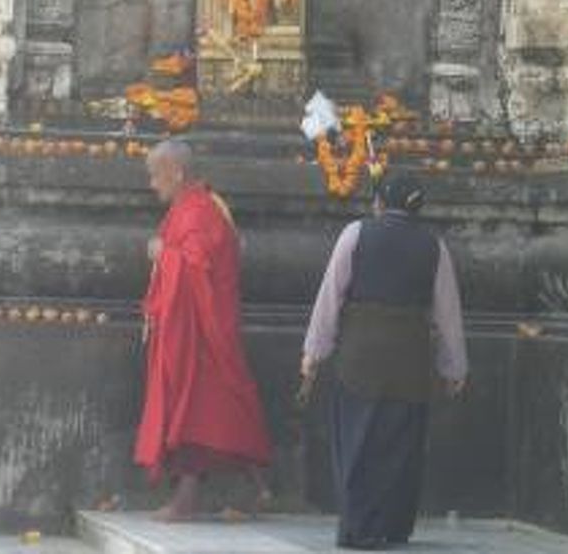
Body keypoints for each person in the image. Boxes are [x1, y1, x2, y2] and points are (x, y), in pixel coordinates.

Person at [301, 172, 468, 550]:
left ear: (379, 203)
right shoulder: (434, 246)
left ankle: (358, 527)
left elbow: (331, 296)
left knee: (357, 443)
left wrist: (314, 351)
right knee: (400, 447)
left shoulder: (356, 234)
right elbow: (447, 313)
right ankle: (393, 526)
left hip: (360, 359)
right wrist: (454, 367)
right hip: (410, 362)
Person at [134, 140, 272, 520]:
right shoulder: (189, 207)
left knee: (199, 408)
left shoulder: (199, 211)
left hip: (203, 330)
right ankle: (256, 486)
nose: (152, 184)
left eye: (156, 175)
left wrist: (163, 255)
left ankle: (188, 497)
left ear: (177, 173)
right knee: (216, 409)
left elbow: (196, 268)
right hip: (191, 326)